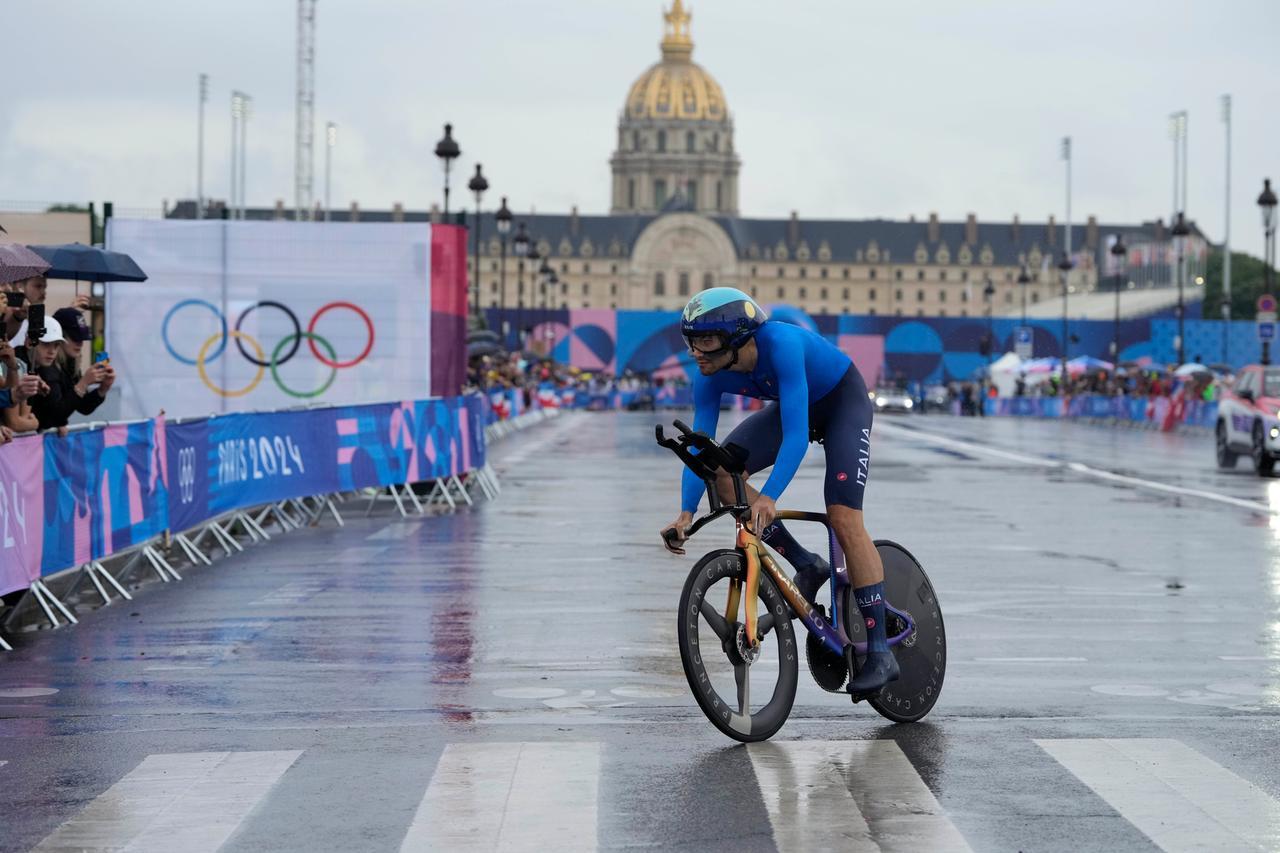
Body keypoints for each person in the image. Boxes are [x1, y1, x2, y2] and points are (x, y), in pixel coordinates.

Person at [659, 287, 898, 694]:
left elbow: (795, 439)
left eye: (705, 341)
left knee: (843, 516)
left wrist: (769, 495)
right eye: (691, 341)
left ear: (735, 337)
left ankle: (880, 653)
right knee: (721, 474)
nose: (696, 352)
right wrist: (686, 512)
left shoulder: (782, 344)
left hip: (842, 402)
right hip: (798, 405)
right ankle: (808, 564)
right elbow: (701, 447)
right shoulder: (709, 377)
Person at [25, 314, 114, 432]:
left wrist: (103, 388)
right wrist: (83, 384)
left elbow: (83, 407)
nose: (80, 343)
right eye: (75, 337)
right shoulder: (46, 366)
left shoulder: (70, 364)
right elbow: (54, 415)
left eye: (56, 345)